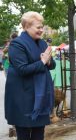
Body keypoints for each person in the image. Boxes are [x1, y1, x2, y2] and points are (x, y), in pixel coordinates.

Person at [5, 11, 56, 140]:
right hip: (23, 97)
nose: (41, 30)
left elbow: (52, 65)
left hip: (40, 96)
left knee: (39, 134)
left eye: (42, 27)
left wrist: (48, 61)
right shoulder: (17, 44)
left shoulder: (42, 43)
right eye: (38, 27)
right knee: (24, 135)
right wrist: (43, 61)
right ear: (26, 26)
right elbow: (22, 69)